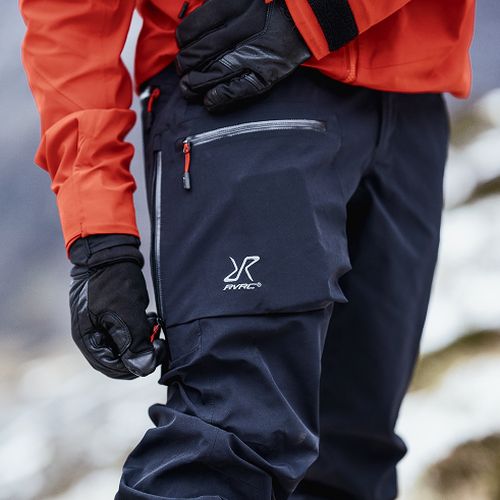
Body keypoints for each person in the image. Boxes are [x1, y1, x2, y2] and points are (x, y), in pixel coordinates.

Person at [19, 1, 475, 498]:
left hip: (413, 89)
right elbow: (70, 14)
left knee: (349, 459)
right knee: (228, 446)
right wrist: (99, 236)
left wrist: (320, 13)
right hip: (240, 72)